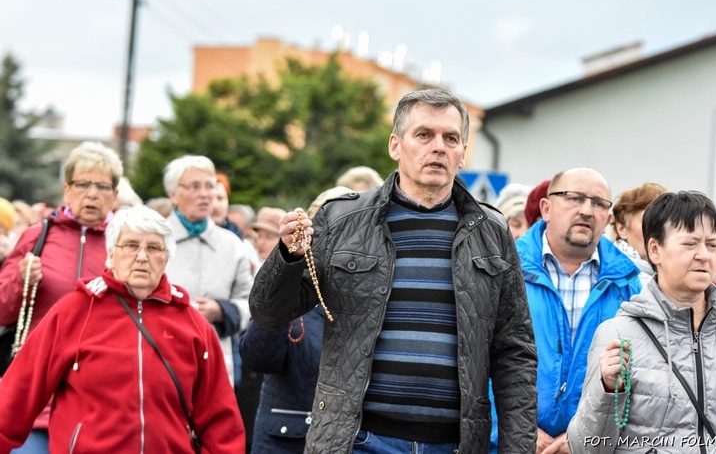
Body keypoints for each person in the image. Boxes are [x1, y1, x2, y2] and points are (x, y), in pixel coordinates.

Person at [249, 89, 538, 453]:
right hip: (359, 440)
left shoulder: (491, 231)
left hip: (454, 444)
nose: (438, 147)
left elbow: (514, 353)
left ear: (463, 153)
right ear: (395, 145)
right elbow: (267, 311)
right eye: (424, 135)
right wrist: (287, 258)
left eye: (451, 138)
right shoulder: (342, 219)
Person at [0, 206, 245, 452]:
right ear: (111, 254)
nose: (141, 257)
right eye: (130, 245)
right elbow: (18, 392)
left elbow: (221, 421)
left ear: (167, 257)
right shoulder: (74, 311)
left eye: (153, 247)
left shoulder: (192, 323)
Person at [567, 191, 716, 453]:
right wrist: (608, 390)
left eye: (712, 245)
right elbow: (587, 448)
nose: (704, 255)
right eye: (690, 244)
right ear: (655, 250)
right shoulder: (618, 333)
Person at [0, 141, 122, 453]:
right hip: (38, 389)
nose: (92, 194)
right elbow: (2, 310)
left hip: (102, 394)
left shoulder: (126, 242)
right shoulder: (37, 236)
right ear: (67, 190)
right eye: (83, 184)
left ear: (115, 195)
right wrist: (20, 279)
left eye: (102, 186)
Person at [515, 168, 641, 454]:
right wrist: (515, 427)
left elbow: (639, 378)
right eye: (574, 198)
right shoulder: (505, 268)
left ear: (608, 220)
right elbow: (476, 362)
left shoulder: (629, 286)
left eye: (598, 204)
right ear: (546, 208)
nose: (587, 210)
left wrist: (583, 437)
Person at [240, 186, 351, 454]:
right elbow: (258, 358)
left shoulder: (370, 292)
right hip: (286, 439)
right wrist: (286, 277)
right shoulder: (288, 275)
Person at [162, 155, 252, 383]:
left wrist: (222, 311)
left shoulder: (232, 244)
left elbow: (251, 302)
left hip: (215, 365)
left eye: (210, 186)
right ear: (173, 194)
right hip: (161, 360)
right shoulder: (156, 239)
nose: (205, 194)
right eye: (194, 186)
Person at [611, 182, 667, 286]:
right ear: (622, 228)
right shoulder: (604, 271)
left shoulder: (676, 276)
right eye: (649, 221)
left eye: (665, 222)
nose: (659, 228)